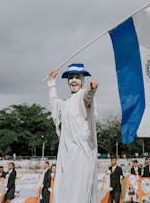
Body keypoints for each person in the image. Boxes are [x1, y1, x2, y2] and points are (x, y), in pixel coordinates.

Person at [47, 63, 98, 203]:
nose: (73, 80)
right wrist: (51, 83)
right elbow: (54, 103)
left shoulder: (83, 96)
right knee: (65, 188)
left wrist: (92, 90)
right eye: (71, 77)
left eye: (77, 77)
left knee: (79, 190)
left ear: (82, 81)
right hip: (66, 153)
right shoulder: (66, 103)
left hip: (81, 153)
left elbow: (88, 98)